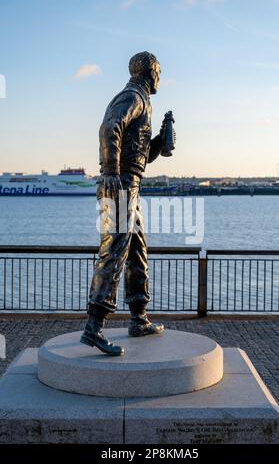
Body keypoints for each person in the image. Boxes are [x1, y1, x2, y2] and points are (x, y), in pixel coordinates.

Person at [80, 52, 172, 356]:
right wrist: (109, 172)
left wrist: (157, 142)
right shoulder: (133, 96)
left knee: (136, 252)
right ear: (150, 72)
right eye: (159, 71)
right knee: (114, 252)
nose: (160, 77)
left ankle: (138, 318)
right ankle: (93, 328)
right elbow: (109, 128)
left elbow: (139, 158)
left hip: (129, 183)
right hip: (119, 184)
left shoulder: (142, 100)